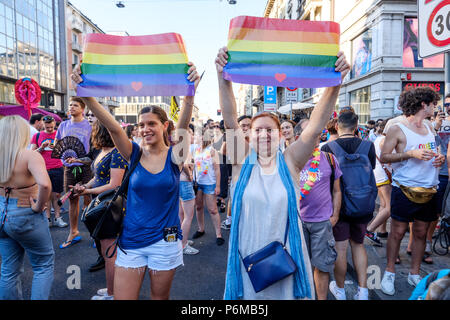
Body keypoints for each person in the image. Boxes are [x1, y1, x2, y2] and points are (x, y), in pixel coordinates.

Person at [216, 46, 350, 299]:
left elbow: (317, 125)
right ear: (249, 135)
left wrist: (336, 82)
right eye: (258, 130)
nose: (264, 134)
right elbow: (231, 119)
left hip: (285, 255)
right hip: (248, 254)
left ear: (280, 135)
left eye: (270, 130)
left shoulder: (290, 161)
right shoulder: (241, 160)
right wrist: (222, 76)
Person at [71, 61, 200, 300]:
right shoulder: (134, 154)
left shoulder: (175, 156)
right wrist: (87, 96)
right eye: (141, 125)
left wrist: (189, 94)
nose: (145, 129)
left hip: (166, 242)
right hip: (132, 240)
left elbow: (183, 126)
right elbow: (113, 128)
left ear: (165, 126)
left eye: (151, 123)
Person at [380, 86, 445, 296]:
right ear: (423, 104)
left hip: (429, 188)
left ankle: (414, 273)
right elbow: (384, 157)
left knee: (420, 233)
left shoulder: (430, 128)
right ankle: (389, 272)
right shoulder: (397, 128)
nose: (436, 107)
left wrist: (440, 157)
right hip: (404, 188)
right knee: (397, 232)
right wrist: (410, 153)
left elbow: (434, 151)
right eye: (434, 103)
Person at [321, 111, 377, 300]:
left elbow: (327, 180)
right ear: (357, 126)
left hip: (340, 206)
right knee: (359, 245)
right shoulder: (368, 146)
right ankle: (363, 291)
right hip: (363, 204)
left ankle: (340, 290)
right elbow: (371, 170)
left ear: (337, 125)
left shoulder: (328, 148)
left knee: (341, 248)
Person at [72, 121, 128, 300]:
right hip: (100, 202)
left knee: (110, 252)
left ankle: (113, 294)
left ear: (99, 132)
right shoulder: (102, 151)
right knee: (106, 250)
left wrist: (87, 191)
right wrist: (83, 186)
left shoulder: (117, 153)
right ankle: (112, 289)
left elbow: (114, 185)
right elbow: (98, 177)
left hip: (110, 205)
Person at [0, 115, 54, 300]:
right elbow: (45, 185)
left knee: (9, 269)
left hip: (2, 213)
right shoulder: (30, 155)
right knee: (43, 265)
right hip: (25, 213)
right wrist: (39, 207)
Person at [295, 119, 342, 300]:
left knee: (322, 267)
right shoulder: (290, 161)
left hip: (323, 222)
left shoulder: (329, 159)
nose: (316, 134)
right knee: (299, 265)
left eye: (317, 131)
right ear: (299, 137)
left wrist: (335, 214)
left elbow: (337, 190)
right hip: (298, 222)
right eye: (310, 131)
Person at [55, 97, 93, 249]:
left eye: (75, 105)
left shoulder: (90, 125)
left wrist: (83, 159)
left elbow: (93, 147)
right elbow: (58, 143)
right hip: (69, 168)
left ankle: (95, 233)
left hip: (86, 166)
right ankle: (73, 232)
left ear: (82, 108)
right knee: (72, 199)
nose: (71, 107)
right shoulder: (63, 125)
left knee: (90, 198)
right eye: (70, 105)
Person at [30, 115, 68, 228]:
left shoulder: (60, 135)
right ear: (43, 124)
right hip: (42, 169)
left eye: (51, 127)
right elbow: (32, 153)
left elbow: (66, 151)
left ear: (54, 124)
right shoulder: (37, 136)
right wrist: (41, 147)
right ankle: (47, 219)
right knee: (45, 195)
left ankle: (57, 217)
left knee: (56, 194)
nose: (50, 129)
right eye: (47, 128)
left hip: (57, 168)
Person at [192, 125, 225, 246]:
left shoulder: (212, 151)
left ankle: (219, 234)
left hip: (210, 184)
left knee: (212, 209)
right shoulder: (195, 150)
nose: (195, 137)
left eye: (197, 135)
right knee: (199, 207)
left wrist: (218, 186)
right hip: (198, 183)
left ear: (203, 137)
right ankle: (201, 229)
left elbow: (217, 170)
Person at [221, 115, 252, 231]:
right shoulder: (234, 144)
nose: (246, 128)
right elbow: (227, 155)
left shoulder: (259, 144)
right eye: (243, 126)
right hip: (238, 187)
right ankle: (230, 220)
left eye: (249, 126)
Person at [365, 119, 392, 247]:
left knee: (383, 204)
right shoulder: (385, 140)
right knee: (390, 207)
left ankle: (382, 230)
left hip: (378, 173)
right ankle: (370, 230)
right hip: (383, 174)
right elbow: (389, 158)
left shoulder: (379, 138)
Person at [179, 124, 199, 255]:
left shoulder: (177, 147)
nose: (193, 135)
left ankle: (181, 240)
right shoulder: (184, 147)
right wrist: (190, 174)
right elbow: (185, 164)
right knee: (188, 216)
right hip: (185, 182)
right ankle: (183, 245)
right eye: (191, 133)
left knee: (181, 215)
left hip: (178, 183)